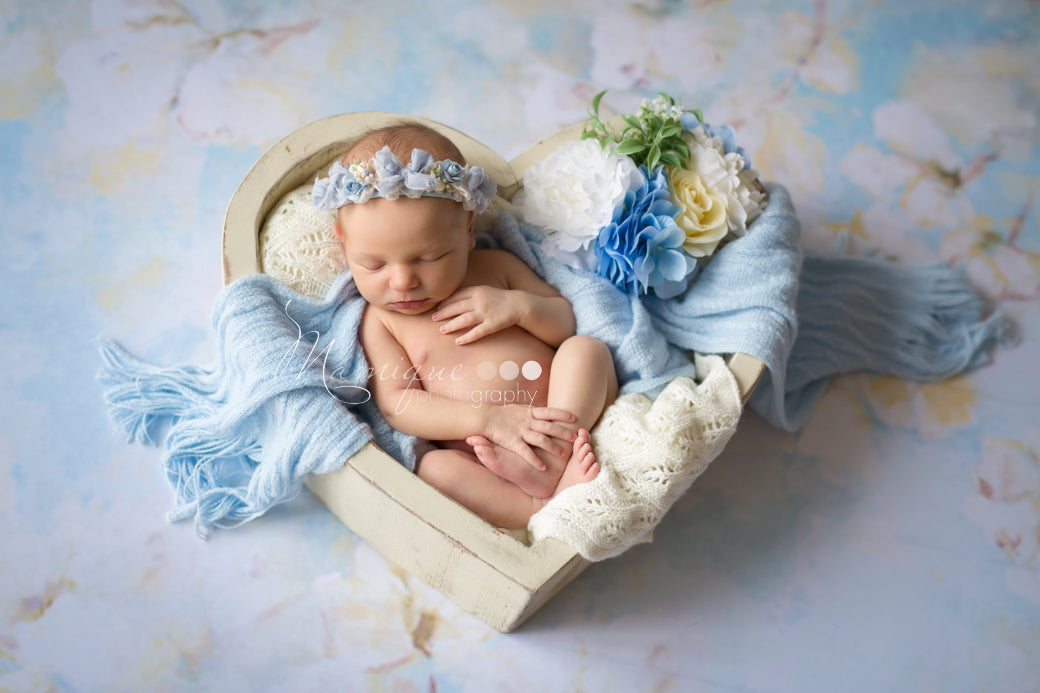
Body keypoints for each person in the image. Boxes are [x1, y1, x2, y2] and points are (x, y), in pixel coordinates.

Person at [313, 122, 618, 528]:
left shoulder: (495, 269)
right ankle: (533, 509)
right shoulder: (380, 321)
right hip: (486, 449)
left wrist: (518, 307)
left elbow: (564, 324)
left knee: (586, 350)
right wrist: (487, 420)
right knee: (434, 470)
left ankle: (552, 455)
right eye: (375, 264)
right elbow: (398, 404)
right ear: (343, 244)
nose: (403, 281)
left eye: (430, 257)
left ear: (469, 232)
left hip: (562, 413)